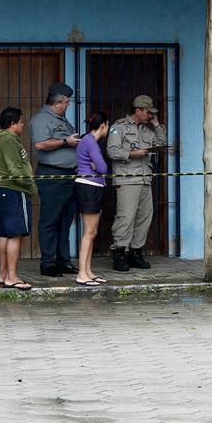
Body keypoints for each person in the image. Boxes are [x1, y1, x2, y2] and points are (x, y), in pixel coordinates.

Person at [107, 95, 167, 271]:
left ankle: (135, 252)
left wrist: (156, 124)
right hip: (127, 179)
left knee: (144, 217)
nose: (150, 116)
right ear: (138, 110)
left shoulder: (147, 130)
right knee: (125, 217)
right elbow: (112, 151)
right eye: (148, 112)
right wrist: (132, 154)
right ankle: (119, 252)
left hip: (144, 179)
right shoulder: (118, 128)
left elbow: (162, 143)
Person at [30, 83, 80, 277]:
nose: (68, 105)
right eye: (66, 102)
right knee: (50, 221)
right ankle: (48, 263)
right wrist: (65, 141)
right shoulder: (42, 119)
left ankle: (63, 261)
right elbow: (41, 144)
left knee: (65, 221)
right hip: (52, 176)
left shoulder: (62, 119)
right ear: (57, 103)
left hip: (68, 176)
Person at [0, 107, 38, 291]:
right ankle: (12, 276)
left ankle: (3, 274)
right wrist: (30, 186)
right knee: (15, 235)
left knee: (5, 234)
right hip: (14, 190)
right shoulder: (9, 141)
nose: (23, 125)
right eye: (21, 122)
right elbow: (15, 169)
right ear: (12, 123)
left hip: (3, 189)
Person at [74, 111, 109, 286]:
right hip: (89, 187)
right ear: (103, 126)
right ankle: (82, 273)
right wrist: (98, 166)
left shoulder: (88, 141)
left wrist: (98, 166)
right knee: (89, 232)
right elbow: (102, 167)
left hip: (93, 187)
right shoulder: (90, 142)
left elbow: (100, 166)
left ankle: (88, 271)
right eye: (107, 126)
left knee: (92, 231)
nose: (107, 129)